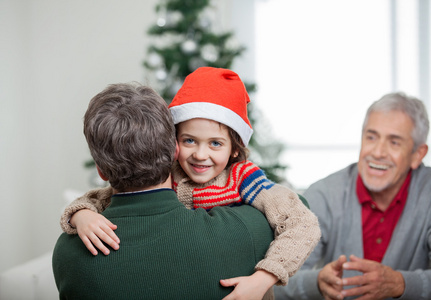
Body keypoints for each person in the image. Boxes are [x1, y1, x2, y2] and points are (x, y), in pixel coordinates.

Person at [59, 67, 321, 299]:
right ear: (174, 146)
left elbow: (300, 219)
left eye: (215, 144)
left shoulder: (243, 179)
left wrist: (263, 279)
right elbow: (96, 198)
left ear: (234, 149)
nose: (200, 155)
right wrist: (81, 215)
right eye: (189, 141)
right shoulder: (173, 172)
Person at [274, 92, 431, 300]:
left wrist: (401, 284)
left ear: (417, 154)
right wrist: (317, 283)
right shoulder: (325, 194)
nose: (377, 152)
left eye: (394, 142)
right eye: (371, 137)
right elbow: (274, 280)